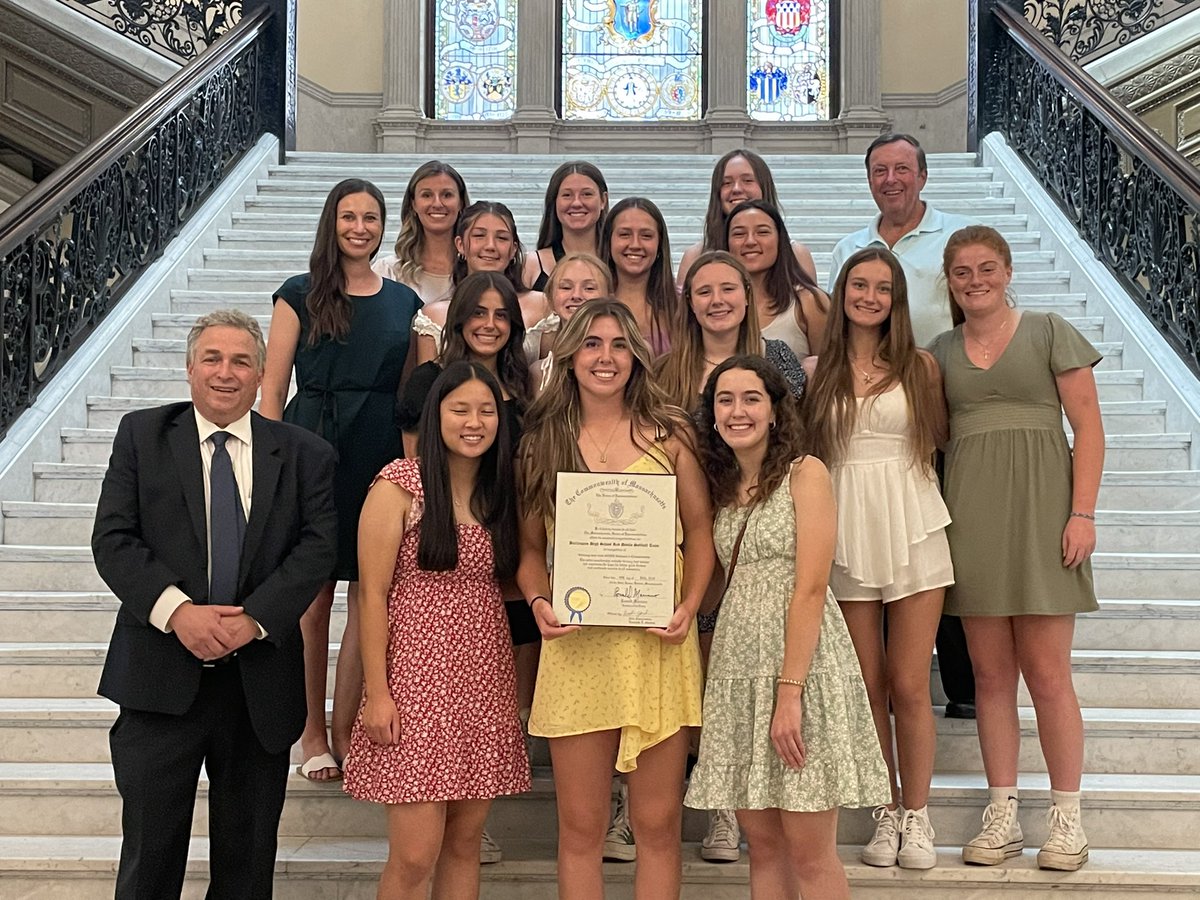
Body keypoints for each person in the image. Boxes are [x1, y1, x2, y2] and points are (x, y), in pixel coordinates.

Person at [92, 310, 338, 899]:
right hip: (159, 684)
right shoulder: (141, 436)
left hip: (259, 688)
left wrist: (253, 619)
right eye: (212, 359)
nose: (225, 373)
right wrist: (178, 613)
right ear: (189, 370)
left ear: (260, 377)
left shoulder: (306, 454)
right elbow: (114, 539)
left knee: (247, 867)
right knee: (149, 861)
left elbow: (318, 547)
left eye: (241, 362)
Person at [517, 299, 715, 899]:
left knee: (657, 825)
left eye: (619, 344)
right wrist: (537, 602)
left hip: (658, 644)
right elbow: (529, 552)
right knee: (581, 827)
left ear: (637, 355)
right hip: (578, 648)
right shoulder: (541, 439)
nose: (606, 357)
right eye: (593, 343)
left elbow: (702, 533)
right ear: (570, 354)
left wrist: (691, 607)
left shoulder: (670, 433)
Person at [929, 225, 1103, 872]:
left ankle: (1067, 820)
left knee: (1049, 675)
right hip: (971, 518)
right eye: (962, 272)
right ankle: (1002, 813)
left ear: (1006, 271)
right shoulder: (939, 351)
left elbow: (1088, 426)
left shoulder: (1049, 331)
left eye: (986, 269)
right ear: (948, 281)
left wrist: (1082, 513)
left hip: (1044, 515)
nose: (975, 281)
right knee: (991, 676)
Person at [685, 355, 889, 900]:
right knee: (763, 846)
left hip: (802, 670)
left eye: (751, 398)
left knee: (809, 850)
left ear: (776, 410)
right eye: (724, 400)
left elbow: (812, 587)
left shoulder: (807, 473)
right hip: (739, 668)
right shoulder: (723, 486)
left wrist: (790, 692)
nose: (737, 411)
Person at [344, 362, 531, 899]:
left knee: (464, 845)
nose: (474, 422)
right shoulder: (399, 486)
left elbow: (513, 579)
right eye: (460, 410)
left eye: (486, 411)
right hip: (415, 686)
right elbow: (372, 596)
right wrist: (376, 694)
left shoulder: (500, 492)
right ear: (436, 416)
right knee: (413, 855)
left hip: (483, 681)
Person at [261, 178, 421, 783]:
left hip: (375, 448)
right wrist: (270, 462)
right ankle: (310, 733)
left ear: (384, 227)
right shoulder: (299, 294)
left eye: (371, 218)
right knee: (313, 595)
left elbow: (411, 395)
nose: (360, 227)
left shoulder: (403, 301)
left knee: (367, 591)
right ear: (332, 224)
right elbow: (273, 389)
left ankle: (349, 725)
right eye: (349, 216)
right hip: (308, 444)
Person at [803, 247, 953, 870]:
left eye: (882, 288)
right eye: (858, 285)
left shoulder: (920, 366)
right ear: (842, 295)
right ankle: (882, 812)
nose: (869, 297)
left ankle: (916, 814)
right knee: (866, 684)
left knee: (910, 683)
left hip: (913, 519)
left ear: (896, 299)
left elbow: (939, 440)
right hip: (844, 526)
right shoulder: (816, 370)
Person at [830, 131, 978, 719]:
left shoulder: (952, 237)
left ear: (923, 175)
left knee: (933, 541)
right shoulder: (851, 245)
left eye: (902, 169)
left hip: (927, 393)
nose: (891, 179)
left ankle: (961, 685)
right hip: (867, 408)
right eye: (879, 171)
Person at [417, 200, 554, 365]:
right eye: (479, 236)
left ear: (513, 249)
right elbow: (424, 386)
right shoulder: (433, 315)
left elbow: (551, 379)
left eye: (502, 238)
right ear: (460, 245)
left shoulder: (542, 305)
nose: (490, 246)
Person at [676, 148, 817, 288]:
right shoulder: (695, 256)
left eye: (747, 180)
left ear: (764, 187)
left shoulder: (797, 255)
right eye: (727, 183)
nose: (736, 189)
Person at [724, 199, 829, 358]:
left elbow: (831, 372)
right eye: (739, 234)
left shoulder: (809, 302)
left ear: (780, 240)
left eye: (762, 232)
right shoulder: (717, 305)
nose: (750, 241)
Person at [372, 160, 469, 304]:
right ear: (413, 204)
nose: (437, 204)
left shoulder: (477, 269)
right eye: (427, 195)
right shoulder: (388, 271)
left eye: (447, 195)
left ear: (460, 202)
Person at [601, 197, 680, 356]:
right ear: (608, 242)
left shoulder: (683, 303)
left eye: (646, 236)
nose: (635, 245)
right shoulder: (590, 300)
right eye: (624, 234)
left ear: (659, 245)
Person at [523, 161, 609, 292]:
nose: (576, 203)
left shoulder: (618, 263)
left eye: (587, 194)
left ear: (603, 200)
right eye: (567, 195)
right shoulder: (531, 265)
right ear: (554, 201)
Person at [532, 251, 612, 391]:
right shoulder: (533, 349)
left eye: (589, 288)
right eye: (566, 287)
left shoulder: (631, 352)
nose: (576, 295)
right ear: (550, 299)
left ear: (609, 299)